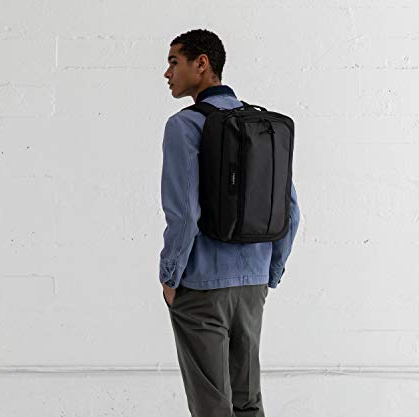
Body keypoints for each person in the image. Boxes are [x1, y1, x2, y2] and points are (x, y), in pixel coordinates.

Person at [159, 28, 300, 417]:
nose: (167, 73)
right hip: (253, 284)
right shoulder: (261, 125)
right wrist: (270, 273)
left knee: (212, 407)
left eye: (174, 62)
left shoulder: (184, 125)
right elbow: (291, 210)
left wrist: (170, 277)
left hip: (201, 286)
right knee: (248, 402)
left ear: (201, 64)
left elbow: (185, 214)